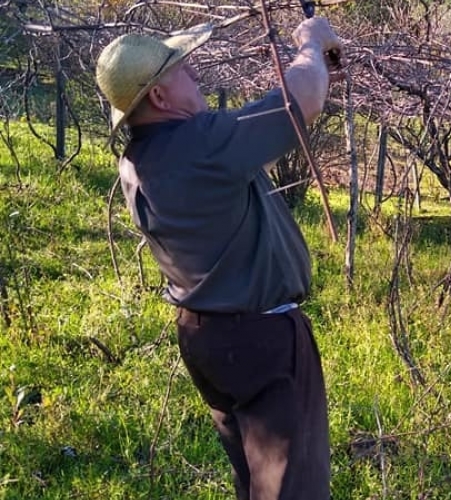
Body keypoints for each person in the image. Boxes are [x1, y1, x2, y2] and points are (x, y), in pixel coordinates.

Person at [95, 17, 343, 500]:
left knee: (256, 481)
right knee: (291, 489)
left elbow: (248, 158)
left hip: (207, 336)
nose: (197, 77)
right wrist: (311, 45)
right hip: (260, 340)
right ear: (160, 99)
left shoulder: (143, 158)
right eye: (184, 71)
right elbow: (301, 102)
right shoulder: (201, 145)